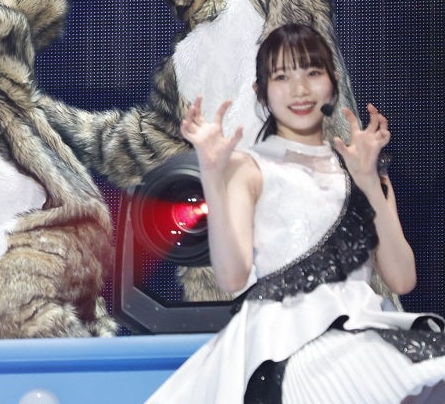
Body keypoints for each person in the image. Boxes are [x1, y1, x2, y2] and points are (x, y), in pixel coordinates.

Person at [147, 23, 445, 403]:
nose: (299, 89)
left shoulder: (361, 167)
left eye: (313, 72)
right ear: (261, 91)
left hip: (362, 328)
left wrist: (369, 182)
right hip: (284, 340)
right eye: (282, 77)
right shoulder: (249, 168)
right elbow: (232, 276)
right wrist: (212, 172)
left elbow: (402, 280)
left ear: (333, 83)